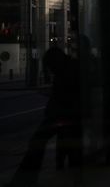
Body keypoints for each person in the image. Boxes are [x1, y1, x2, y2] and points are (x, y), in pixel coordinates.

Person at [5, 45, 81, 186]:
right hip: (68, 116)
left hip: (64, 116)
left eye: (51, 67)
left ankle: (25, 180)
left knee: (38, 141)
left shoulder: (66, 72)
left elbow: (60, 99)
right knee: (56, 143)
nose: (51, 71)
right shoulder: (70, 68)